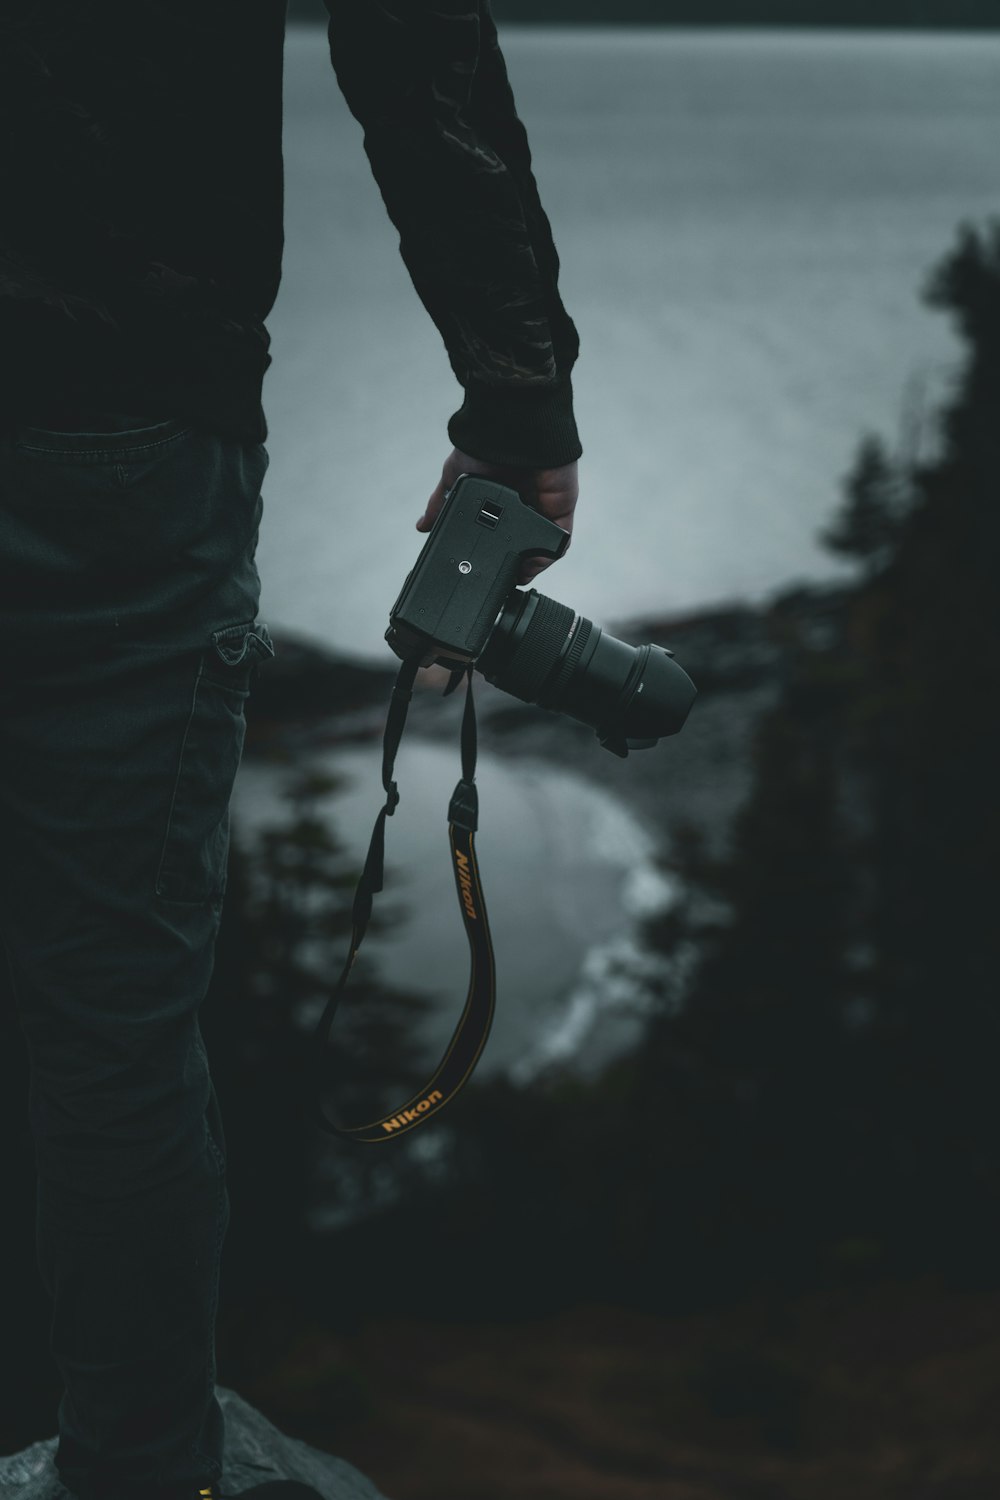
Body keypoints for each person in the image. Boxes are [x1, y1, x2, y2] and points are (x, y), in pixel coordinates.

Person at [0, 4, 581, 1499]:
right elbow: (417, 48)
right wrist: (516, 396)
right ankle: (138, 1468)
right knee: (115, 1026)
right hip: (122, 423)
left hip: (125, 420)